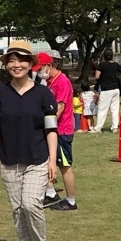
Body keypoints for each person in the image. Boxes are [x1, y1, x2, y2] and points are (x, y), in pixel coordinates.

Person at [0, 40, 58, 241]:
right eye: (12, 60)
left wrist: (53, 160)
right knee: (18, 210)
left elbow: (51, 129)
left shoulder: (43, 93)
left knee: (31, 204)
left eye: (21, 60)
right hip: (8, 160)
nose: (16, 65)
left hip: (37, 159)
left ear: (31, 64)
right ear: (7, 64)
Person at [41, 51, 79, 212]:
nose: (38, 71)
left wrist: (47, 124)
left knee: (64, 165)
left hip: (62, 130)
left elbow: (60, 108)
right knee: (46, 161)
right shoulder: (48, 81)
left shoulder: (61, 82)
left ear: (49, 66)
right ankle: (50, 192)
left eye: (40, 68)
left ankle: (71, 200)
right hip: (53, 130)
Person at [91, 49, 121, 133]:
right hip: (116, 89)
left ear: (104, 56)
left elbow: (97, 77)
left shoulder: (102, 65)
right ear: (112, 56)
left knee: (102, 109)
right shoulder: (116, 65)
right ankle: (115, 127)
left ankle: (98, 128)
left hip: (106, 89)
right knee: (115, 109)